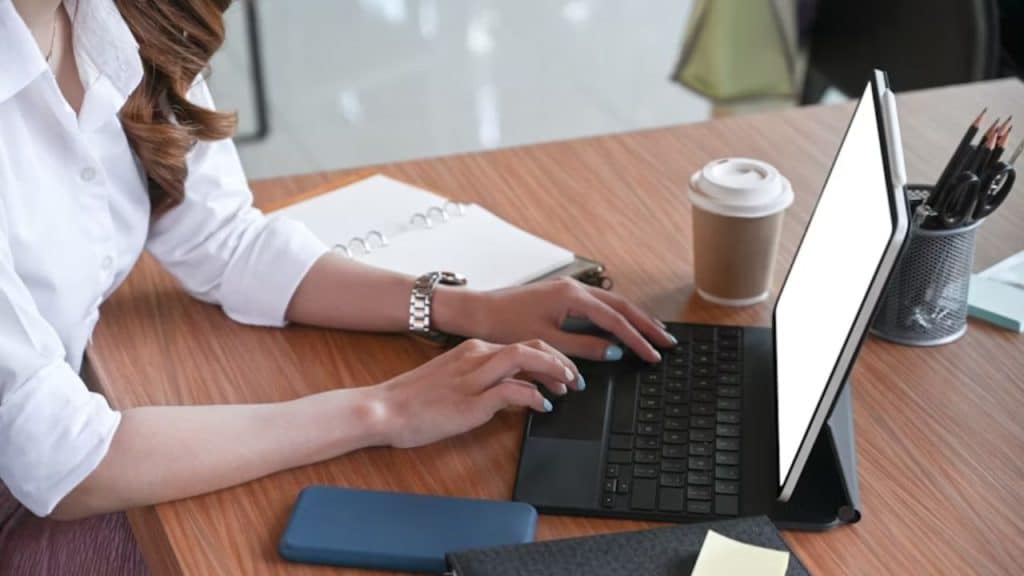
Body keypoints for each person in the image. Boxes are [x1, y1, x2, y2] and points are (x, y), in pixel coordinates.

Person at [0, 0, 676, 571]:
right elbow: (69, 464)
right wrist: (384, 411)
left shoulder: (114, 18)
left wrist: (467, 307)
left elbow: (223, 241)